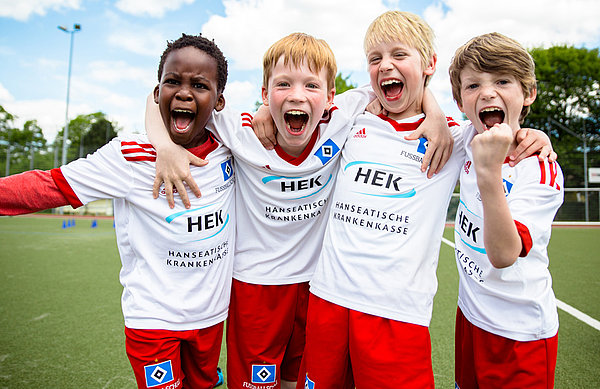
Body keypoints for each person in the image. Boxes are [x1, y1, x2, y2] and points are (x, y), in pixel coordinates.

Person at [146, 32, 453, 389]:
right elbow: (160, 98)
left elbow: (407, 83)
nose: (297, 95)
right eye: (283, 85)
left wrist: (436, 112)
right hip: (256, 287)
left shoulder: (344, 117)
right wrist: (164, 145)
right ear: (264, 94)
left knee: (299, 382)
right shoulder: (239, 129)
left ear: (331, 97)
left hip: (316, 287)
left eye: (311, 85)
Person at [297, 12, 555, 389]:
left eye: (399, 55)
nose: (385, 65)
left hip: (396, 313)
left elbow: (499, 131)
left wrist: (534, 137)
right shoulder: (353, 115)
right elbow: (295, 101)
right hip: (327, 298)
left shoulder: (456, 139)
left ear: (430, 63)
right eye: (374, 58)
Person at [0, 34, 232, 389]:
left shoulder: (231, 149)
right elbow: (48, 185)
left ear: (219, 102)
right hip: (152, 320)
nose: (184, 92)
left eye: (199, 85)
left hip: (211, 317)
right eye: (173, 82)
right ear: (157, 94)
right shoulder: (128, 157)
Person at [448, 32, 564, 389]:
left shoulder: (539, 168)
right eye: (472, 85)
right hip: (470, 316)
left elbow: (502, 254)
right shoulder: (465, 137)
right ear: (460, 101)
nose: (486, 92)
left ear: (528, 93)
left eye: (502, 80)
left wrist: (488, 172)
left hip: (521, 333)